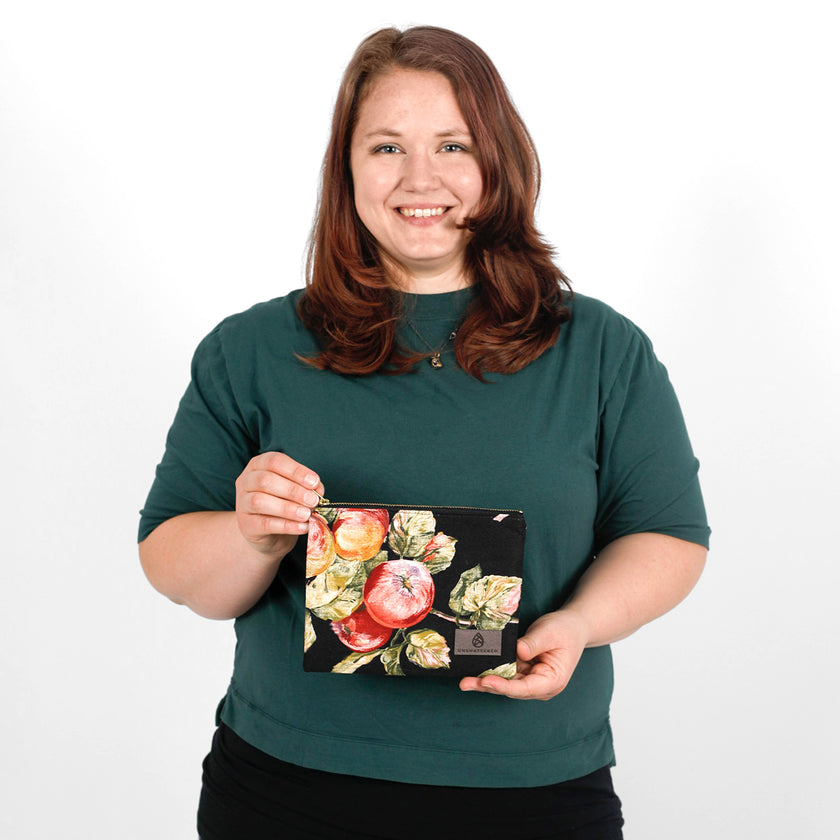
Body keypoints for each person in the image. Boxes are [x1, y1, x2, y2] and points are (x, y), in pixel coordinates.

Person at [138, 24, 709, 840]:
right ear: (346, 168)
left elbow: (669, 535)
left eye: (452, 145)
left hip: (532, 790)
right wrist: (251, 535)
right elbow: (171, 563)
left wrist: (580, 624)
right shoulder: (251, 349)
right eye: (386, 147)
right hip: (287, 789)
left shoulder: (602, 350)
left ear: (498, 161)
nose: (420, 179)